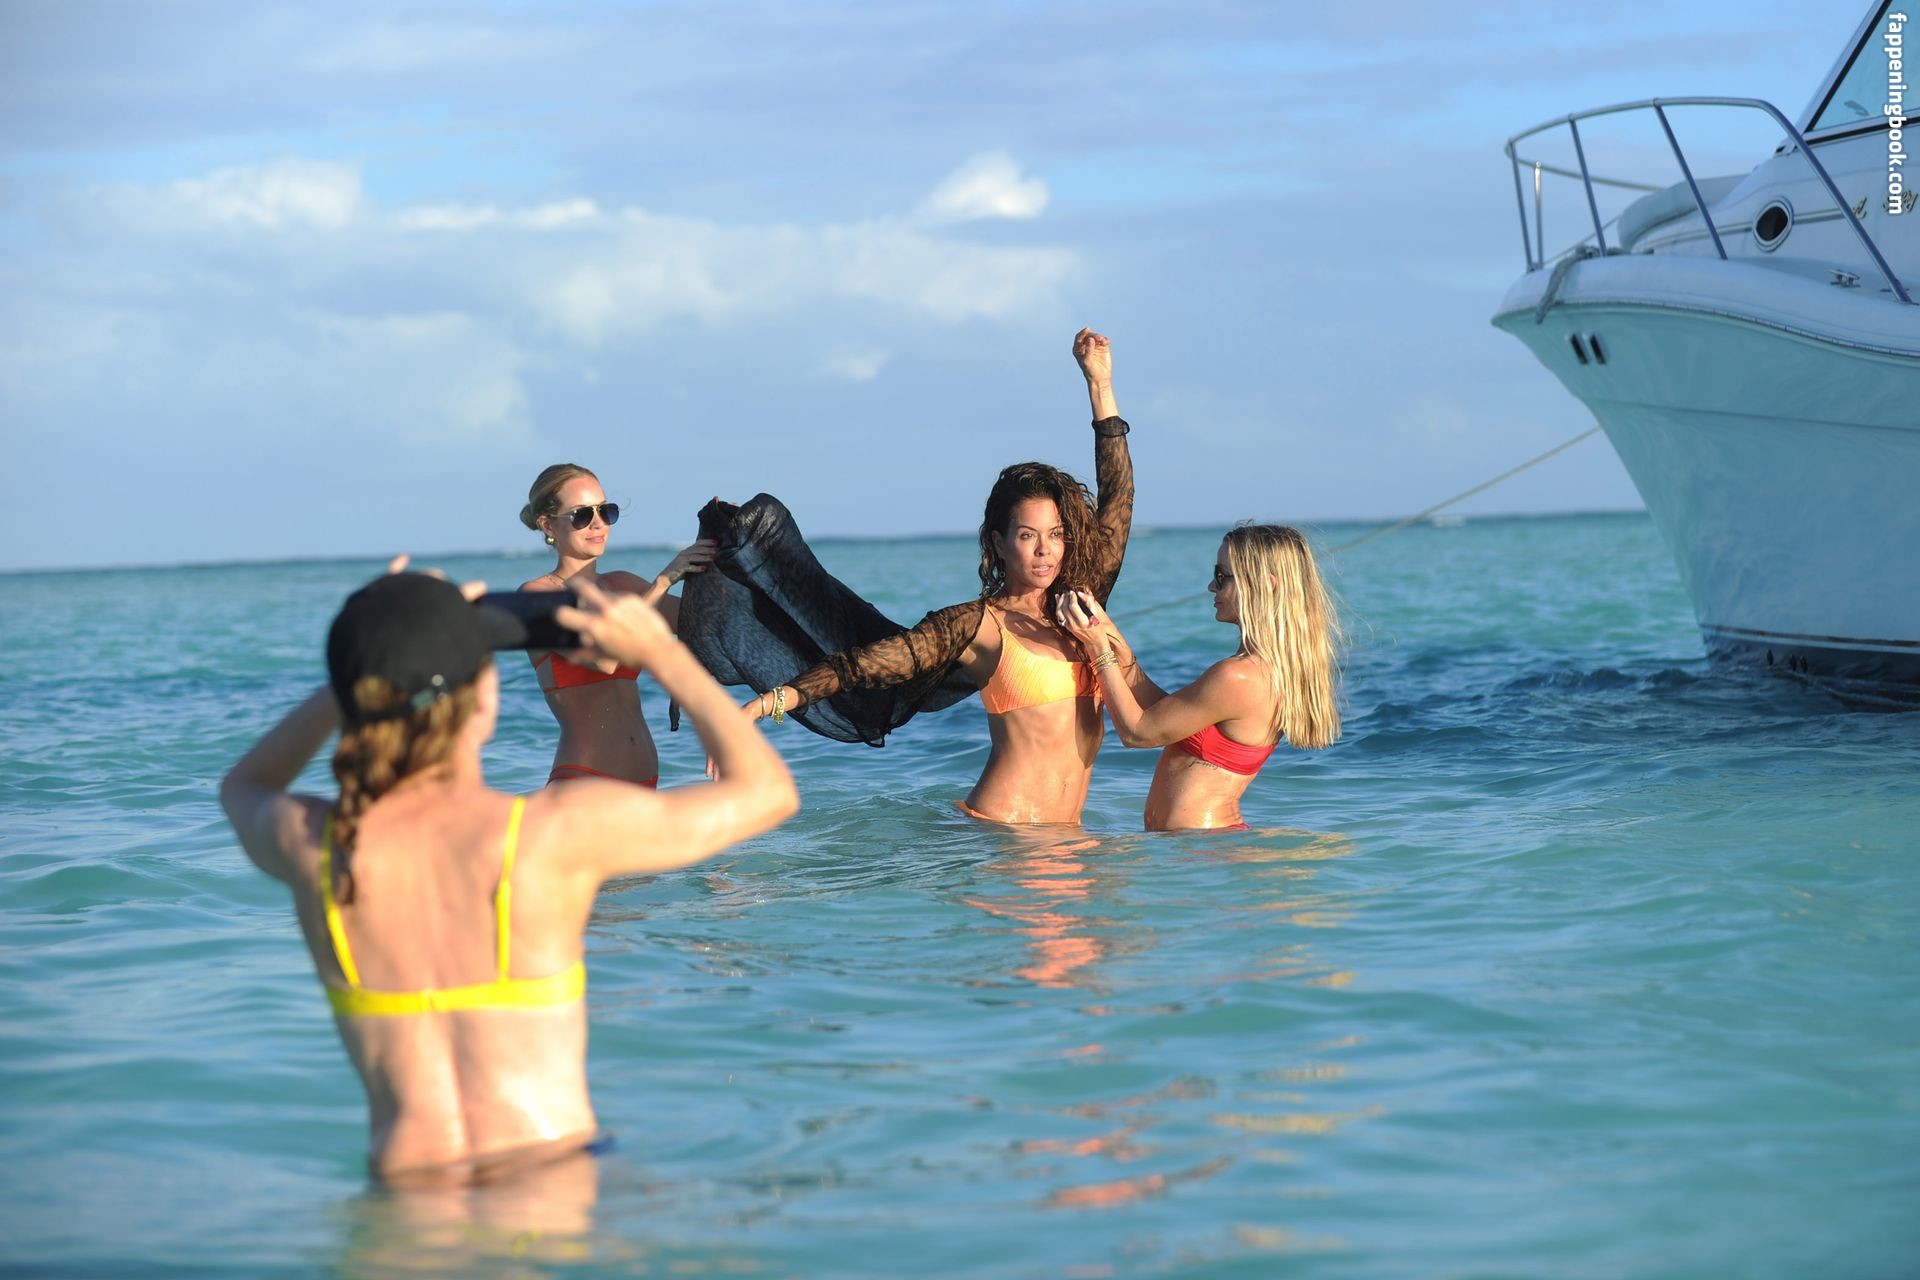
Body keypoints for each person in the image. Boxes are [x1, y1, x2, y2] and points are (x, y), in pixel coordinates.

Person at [218, 566, 797, 1185]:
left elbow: (243, 785)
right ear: (485, 704)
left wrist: (381, 642)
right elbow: (767, 792)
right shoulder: (549, 836)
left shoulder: (316, 843)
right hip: (548, 1179)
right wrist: (660, 653)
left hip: (406, 1191)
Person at [734, 327, 1133, 825]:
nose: (1044, 550)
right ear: (999, 543)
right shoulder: (977, 625)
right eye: (1028, 535)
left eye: (1055, 534)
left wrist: (1100, 385)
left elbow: (1118, 497)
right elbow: (867, 664)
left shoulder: (1081, 608)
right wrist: (773, 701)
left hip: (1067, 834)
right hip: (1003, 831)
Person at [1053, 524, 1341, 831]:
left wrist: (1098, 648)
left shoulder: (1239, 676)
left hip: (1205, 846)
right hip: (1203, 845)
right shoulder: (1261, 670)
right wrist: (1119, 653)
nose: (1211, 586)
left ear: (1265, 584)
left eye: (1222, 576)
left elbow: (1137, 733)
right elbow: (1165, 719)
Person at [518, 464, 716, 787]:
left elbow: (705, 625)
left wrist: (722, 543)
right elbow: (605, 659)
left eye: (605, 511)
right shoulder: (535, 597)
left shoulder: (623, 585)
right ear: (547, 524)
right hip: (585, 784)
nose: (598, 523)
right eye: (582, 515)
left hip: (645, 786)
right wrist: (663, 582)